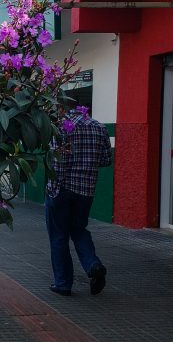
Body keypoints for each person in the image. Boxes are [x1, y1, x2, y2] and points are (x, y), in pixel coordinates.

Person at [46, 106, 112, 296]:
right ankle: (94, 265)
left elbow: (58, 162)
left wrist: (53, 189)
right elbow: (107, 159)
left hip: (63, 190)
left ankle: (63, 283)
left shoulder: (62, 127)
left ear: (64, 111)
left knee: (59, 236)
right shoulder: (100, 127)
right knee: (79, 229)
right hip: (86, 192)